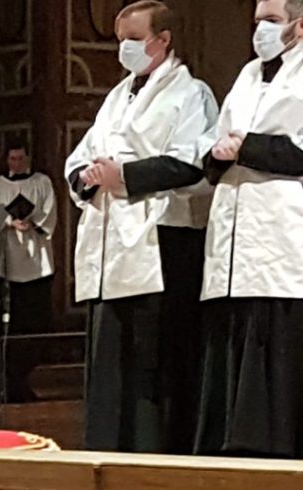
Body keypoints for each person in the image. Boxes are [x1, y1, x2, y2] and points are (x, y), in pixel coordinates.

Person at [63, 1, 218, 453]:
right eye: (120, 40)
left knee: (153, 367)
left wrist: (125, 177)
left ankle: (154, 455)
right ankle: (106, 452)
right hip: (112, 244)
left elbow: (191, 162)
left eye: (132, 38)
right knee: (110, 362)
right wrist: (86, 178)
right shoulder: (117, 96)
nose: (124, 49)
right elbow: (81, 154)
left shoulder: (190, 93)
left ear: (162, 39)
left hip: (159, 243)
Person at [195, 0, 303, 459]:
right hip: (235, 227)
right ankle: (233, 443)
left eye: (272, 20)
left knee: (276, 340)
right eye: (257, 19)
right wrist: (218, 151)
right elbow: (216, 139)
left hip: (282, 229)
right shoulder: (246, 75)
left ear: (299, 25)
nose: (260, 28)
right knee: (235, 335)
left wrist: (248, 146)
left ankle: (279, 446)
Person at [0, 142, 58, 402]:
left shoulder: (42, 182)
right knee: (11, 325)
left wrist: (32, 221)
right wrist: (9, 221)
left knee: (37, 322)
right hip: (9, 262)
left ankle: (26, 375)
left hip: (36, 262)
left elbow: (49, 214)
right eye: (12, 158)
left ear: (28, 158)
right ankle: (9, 380)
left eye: (20, 158)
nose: (16, 163)